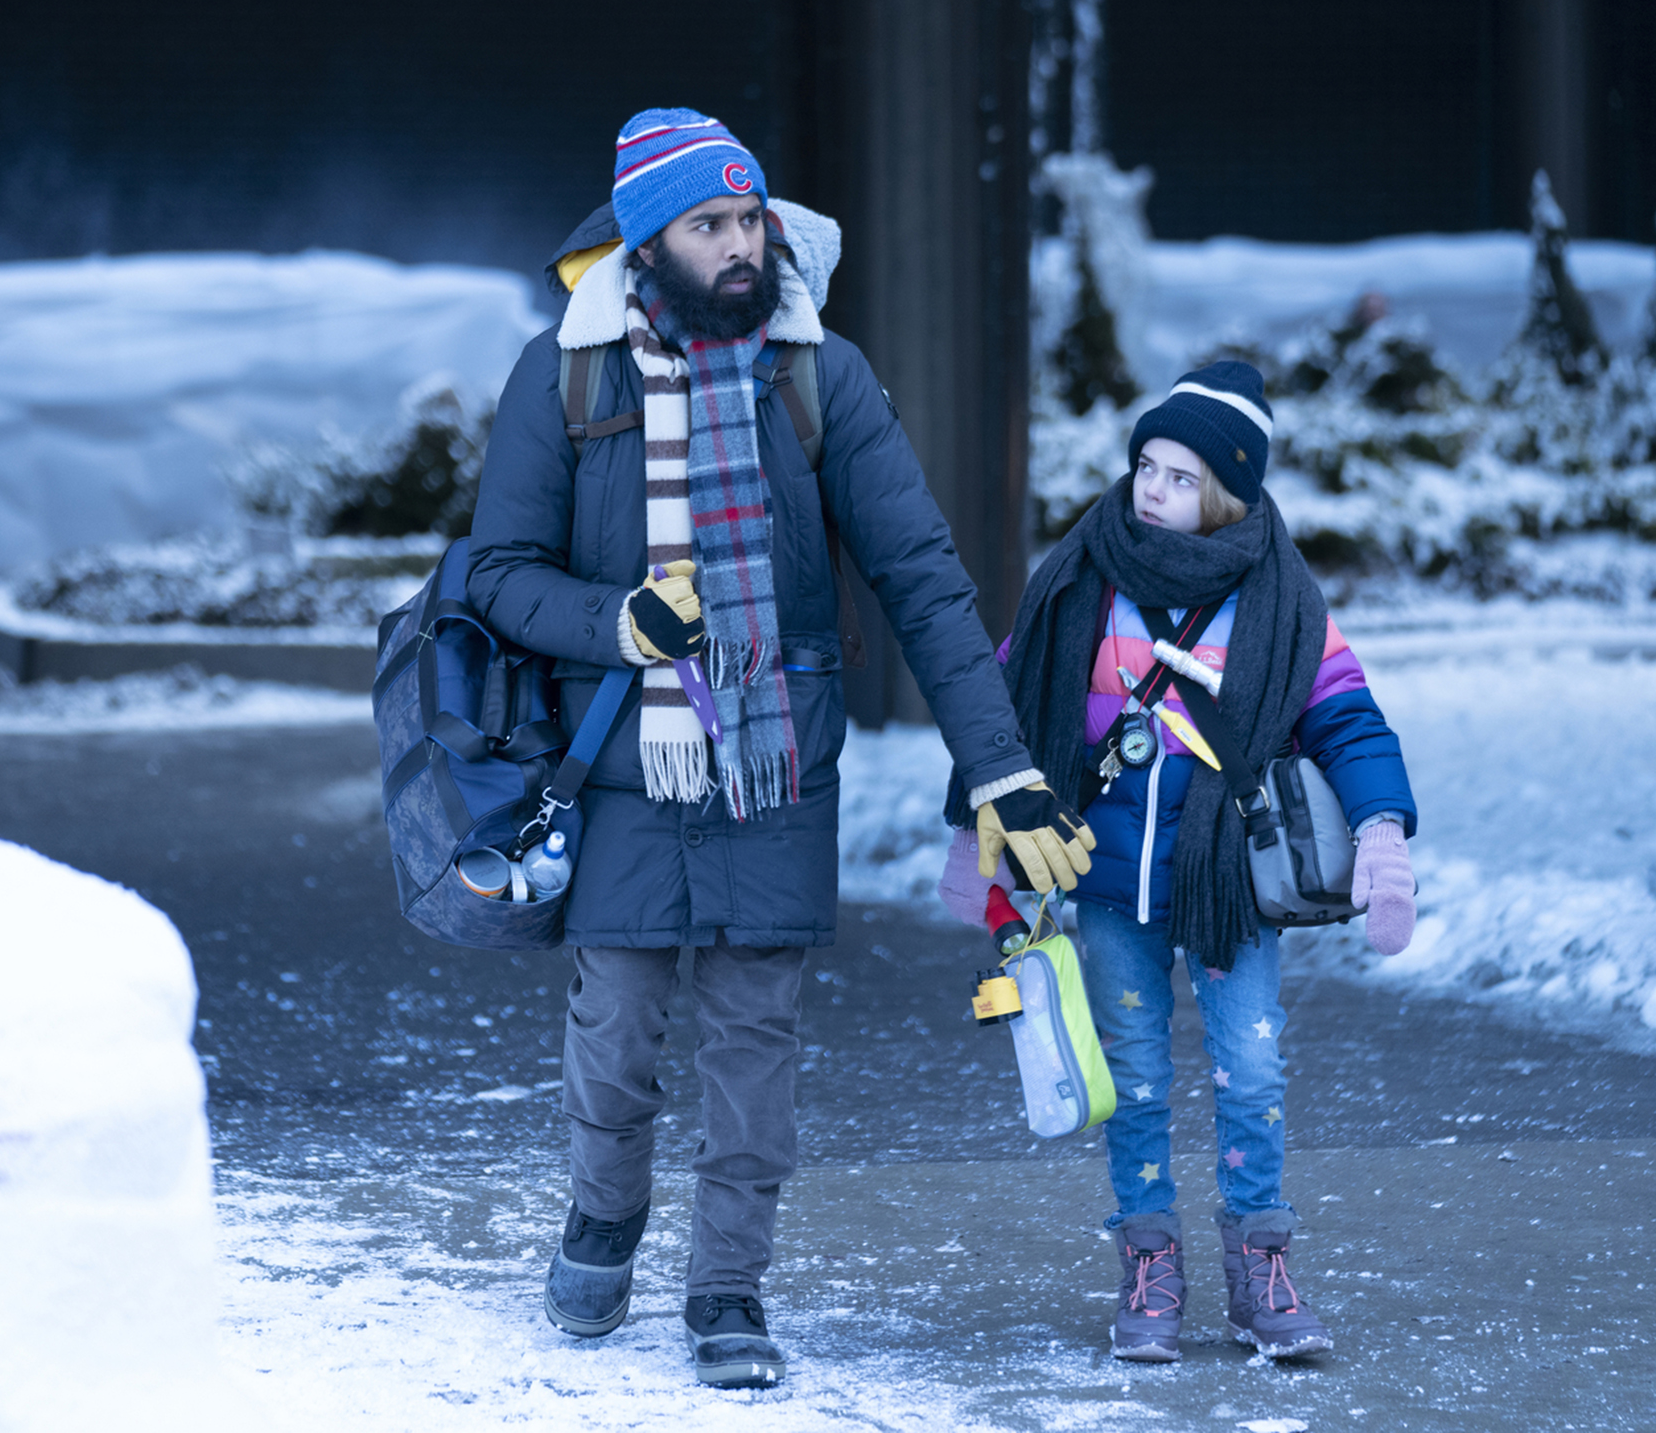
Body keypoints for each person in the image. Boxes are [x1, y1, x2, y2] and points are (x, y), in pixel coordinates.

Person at [466, 108, 1095, 1389]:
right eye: (710, 224)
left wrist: (1001, 763)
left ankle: (728, 1289)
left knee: (755, 1038)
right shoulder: (566, 374)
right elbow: (493, 575)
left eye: (751, 218)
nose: (742, 245)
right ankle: (602, 1212)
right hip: (622, 759)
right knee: (619, 1021)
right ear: (652, 240)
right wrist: (617, 619)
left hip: (776, 761)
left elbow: (920, 574)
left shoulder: (817, 372)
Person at [936, 360, 1419, 1364]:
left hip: (1227, 890)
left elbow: (1346, 716)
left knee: (1250, 1069)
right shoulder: (1082, 576)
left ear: (1226, 493)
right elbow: (1004, 707)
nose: (1149, 488)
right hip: (1106, 885)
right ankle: (1148, 1261)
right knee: (1136, 1080)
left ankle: (1261, 1267)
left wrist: (1380, 830)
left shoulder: (1281, 599)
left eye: (1178, 474)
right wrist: (970, 836)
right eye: (1145, 464)